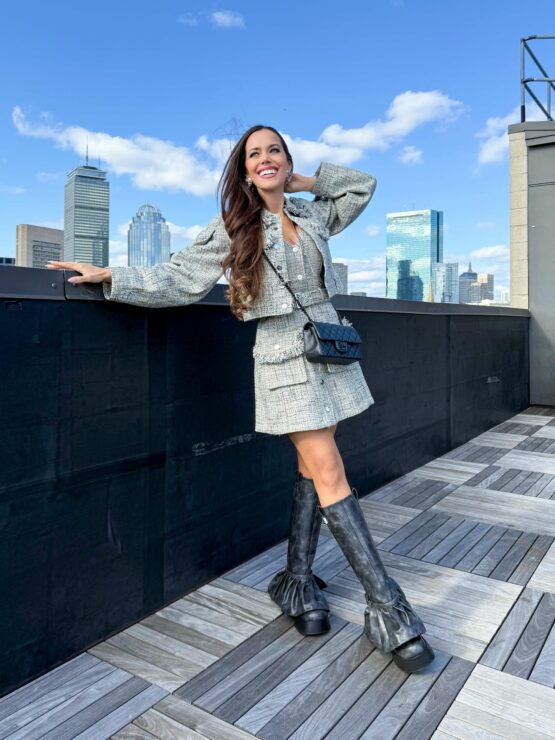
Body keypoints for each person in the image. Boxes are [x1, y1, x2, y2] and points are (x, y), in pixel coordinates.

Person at [48, 124, 434, 673]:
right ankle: (389, 610)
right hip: (282, 360)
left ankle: (298, 584)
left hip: (329, 349)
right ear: (244, 170)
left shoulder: (312, 215)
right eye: (255, 154)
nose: (265, 159)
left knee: (312, 466)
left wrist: (304, 181)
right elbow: (179, 277)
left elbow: (362, 186)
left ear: (287, 160)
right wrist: (112, 276)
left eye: (274, 151)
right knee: (330, 470)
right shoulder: (234, 226)